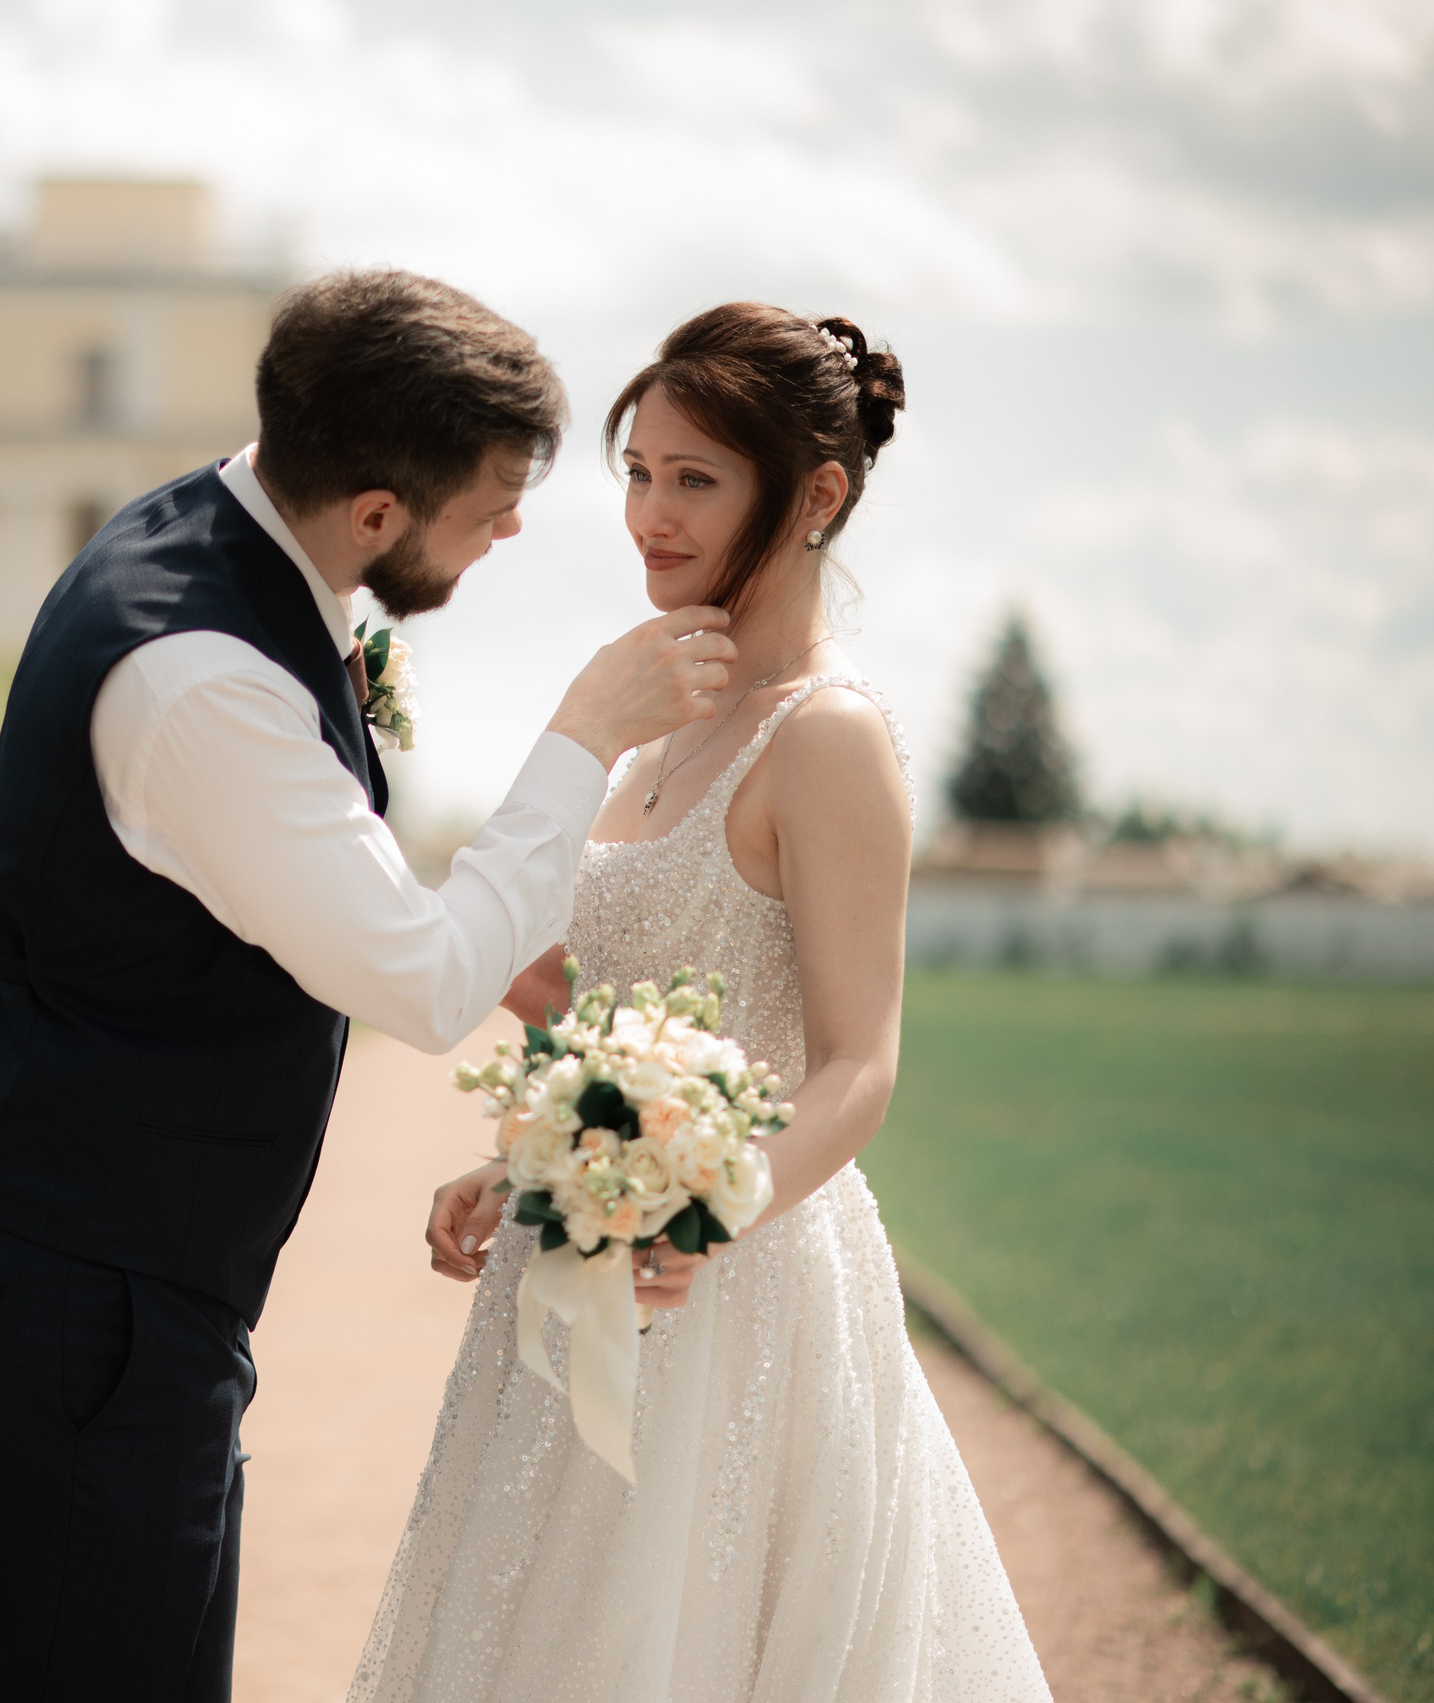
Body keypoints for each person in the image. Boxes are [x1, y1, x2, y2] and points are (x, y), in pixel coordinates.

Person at [0, 270, 740, 1701]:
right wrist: (583, 734)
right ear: (372, 515)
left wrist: (478, 927)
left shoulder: (226, 542)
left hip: (103, 1277)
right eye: (488, 507)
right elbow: (413, 986)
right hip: (83, 1301)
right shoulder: (202, 674)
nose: (514, 528)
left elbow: (286, 886)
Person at [353, 304, 1052, 1702]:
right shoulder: (667, 711)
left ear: (818, 497)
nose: (648, 517)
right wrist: (537, 1149)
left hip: (738, 1285)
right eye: (638, 472)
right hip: (579, 1266)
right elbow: (611, 1008)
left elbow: (857, 1067)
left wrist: (699, 1209)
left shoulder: (829, 738)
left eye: (694, 479)